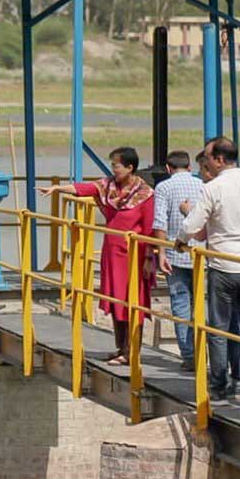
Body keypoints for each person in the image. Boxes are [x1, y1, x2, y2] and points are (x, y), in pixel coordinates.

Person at [176, 136, 240, 408]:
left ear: (219, 159)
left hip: (224, 267)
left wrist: (181, 241)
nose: (205, 162)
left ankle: (218, 388)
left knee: (218, 329)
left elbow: (193, 223)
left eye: (207, 158)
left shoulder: (213, 188)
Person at [40, 147, 157, 365]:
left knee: (133, 302)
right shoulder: (108, 186)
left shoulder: (145, 194)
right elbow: (84, 188)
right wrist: (57, 188)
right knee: (115, 301)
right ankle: (121, 347)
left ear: (130, 168)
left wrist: (150, 258)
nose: (113, 169)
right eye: (112, 164)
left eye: (117, 165)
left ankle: (132, 352)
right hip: (112, 254)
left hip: (134, 256)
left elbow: (150, 228)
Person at [152, 150, 205, 371]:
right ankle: (203, 353)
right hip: (203, 254)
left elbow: (159, 222)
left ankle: (189, 355)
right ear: (190, 167)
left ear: (167, 168)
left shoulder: (163, 187)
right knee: (200, 305)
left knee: (180, 303)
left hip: (175, 254)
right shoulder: (203, 186)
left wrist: (161, 253)